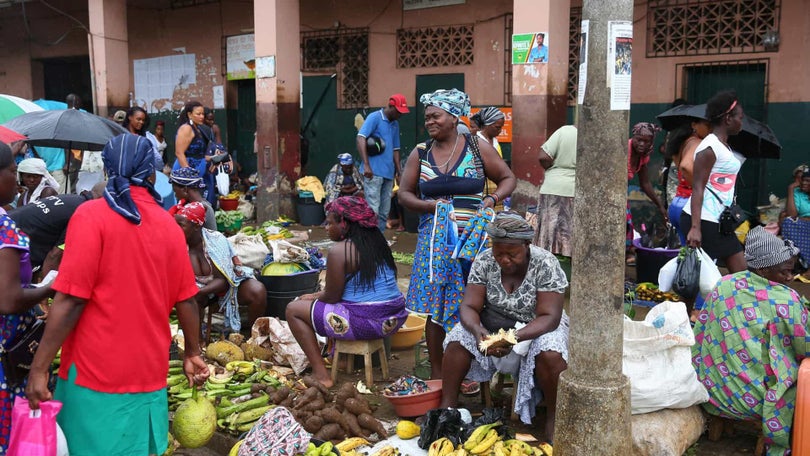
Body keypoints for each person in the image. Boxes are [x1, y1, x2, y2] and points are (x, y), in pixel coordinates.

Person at [25, 134, 210, 456]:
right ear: (152, 174)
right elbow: (187, 299)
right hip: (149, 370)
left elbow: (70, 300)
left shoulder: (91, 216)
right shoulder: (169, 227)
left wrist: (39, 368)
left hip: (94, 372)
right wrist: (192, 352)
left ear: (108, 172)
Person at [399, 88, 516, 379]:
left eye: (436, 116)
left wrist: (491, 200)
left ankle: (474, 371)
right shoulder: (420, 153)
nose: (430, 122)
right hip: (434, 244)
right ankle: (440, 374)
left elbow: (507, 178)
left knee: (474, 302)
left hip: (473, 242)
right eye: (427, 118)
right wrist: (429, 206)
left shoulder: (476, 148)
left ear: (453, 117)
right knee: (436, 308)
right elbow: (404, 194)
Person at [440, 212, 569, 442]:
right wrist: (478, 331)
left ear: (527, 245)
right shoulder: (485, 260)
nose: (504, 259)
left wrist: (513, 337)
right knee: (458, 339)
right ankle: (447, 408)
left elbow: (550, 317)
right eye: (499, 253)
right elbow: (469, 306)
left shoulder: (546, 263)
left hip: (536, 327)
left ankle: (554, 415)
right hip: (494, 324)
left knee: (551, 351)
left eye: (512, 254)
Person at [692, 226, 809, 456]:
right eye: (785, 272)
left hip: (712, 392)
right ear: (763, 270)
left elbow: (700, 335)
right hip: (759, 401)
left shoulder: (724, 285)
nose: (790, 277)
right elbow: (804, 347)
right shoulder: (788, 300)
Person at [285, 196, 408, 387]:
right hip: (393, 319)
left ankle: (322, 375)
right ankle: (340, 358)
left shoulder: (340, 251)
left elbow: (332, 297)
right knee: (331, 305)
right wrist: (316, 297)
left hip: (367, 322)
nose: (326, 228)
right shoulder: (378, 243)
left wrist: (313, 296)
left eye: (330, 223)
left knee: (293, 309)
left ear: (344, 224)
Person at [0, 143, 55, 453]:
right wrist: (48, 289)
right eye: (11, 171)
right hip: (6, 348)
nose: (16, 179)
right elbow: (7, 299)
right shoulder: (3, 225)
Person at [174, 202, 267, 334]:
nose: (176, 228)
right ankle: (195, 344)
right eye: (175, 224)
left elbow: (223, 280)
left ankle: (254, 337)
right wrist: (195, 292)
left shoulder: (216, 240)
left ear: (196, 226)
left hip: (227, 286)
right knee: (189, 299)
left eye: (181, 225)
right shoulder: (177, 245)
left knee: (257, 290)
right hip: (197, 293)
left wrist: (200, 291)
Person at [682, 90, 747, 273]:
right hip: (703, 220)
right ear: (728, 119)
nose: (741, 122)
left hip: (718, 221)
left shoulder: (723, 146)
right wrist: (695, 228)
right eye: (739, 117)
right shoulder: (709, 147)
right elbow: (697, 187)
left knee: (738, 274)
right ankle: (686, 303)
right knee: (694, 278)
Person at [8, 184, 105, 275]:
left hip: (7, 224)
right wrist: (48, 290)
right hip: (8, 242)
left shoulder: (70, 198)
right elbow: (54, 256)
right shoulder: (84, 213)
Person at [356, 94, 409, 231]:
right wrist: (366, 164)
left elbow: (396, 149)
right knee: (372, 210)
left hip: (388, 173)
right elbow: (361, 138)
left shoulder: (395, 124)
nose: (400, 115)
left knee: (384, 212)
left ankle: (378, 241)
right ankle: (369, 240)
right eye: (398, 111)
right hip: (373, 172)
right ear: (390, 106)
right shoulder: (375, 117)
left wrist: (399, 171)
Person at [664, 116, 712, 244]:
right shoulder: (696, 142)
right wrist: (699, 186)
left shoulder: (682, 143)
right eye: (707, 125)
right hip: (689, 206)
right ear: (694, 125)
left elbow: (680, 165)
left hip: (677, 203)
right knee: (699, 255)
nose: (710, 129)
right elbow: (685, 166)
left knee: (686, 253)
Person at [534, 125, 577, 259]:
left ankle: (549, 269)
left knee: (547, 234)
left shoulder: (565, 131)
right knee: (570, 235)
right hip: (576, 188)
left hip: (553, 187)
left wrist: (554, 170)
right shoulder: (595, 137)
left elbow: (543, 157)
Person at [627, 122, 667, 264]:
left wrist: (660, 206)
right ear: (634, 137)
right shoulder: (624, 150)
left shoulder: (643, 156)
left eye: (646, 141)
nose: (642, 144)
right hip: (608, 195)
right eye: (639, 140)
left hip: (620, 198)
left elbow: (645, 183)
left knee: (627, 230)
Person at [173, 101, 217, 206]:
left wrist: (214, 158)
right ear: (189, 114)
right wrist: (189, 178)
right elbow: (179, 153)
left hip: (200, 173)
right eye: (198, 114)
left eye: (203, 114)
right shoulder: (186, 129)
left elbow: (198, 154)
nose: (202, 116)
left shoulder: (199, 129)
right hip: (188, 173)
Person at [471, 107, 506, 209]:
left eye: (501, 127)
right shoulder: (474, 142)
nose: (500, 130)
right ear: (487, 125)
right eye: (497, 127)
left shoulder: (496, 142)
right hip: (480, 193)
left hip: (495, 194)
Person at [782, 166, 810, 271]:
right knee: (787, 222)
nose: (803, 183)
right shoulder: (797, 192)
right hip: (802, 226)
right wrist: (790, 189)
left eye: (807, 181)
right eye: (803, 180)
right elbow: (792, 215)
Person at [124, 106, 164, 170]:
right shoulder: (122, 136)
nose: (141, 122)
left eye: (143, 120)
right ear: (130, 117)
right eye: (138, 119)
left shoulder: (147, 137)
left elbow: (157, 158)